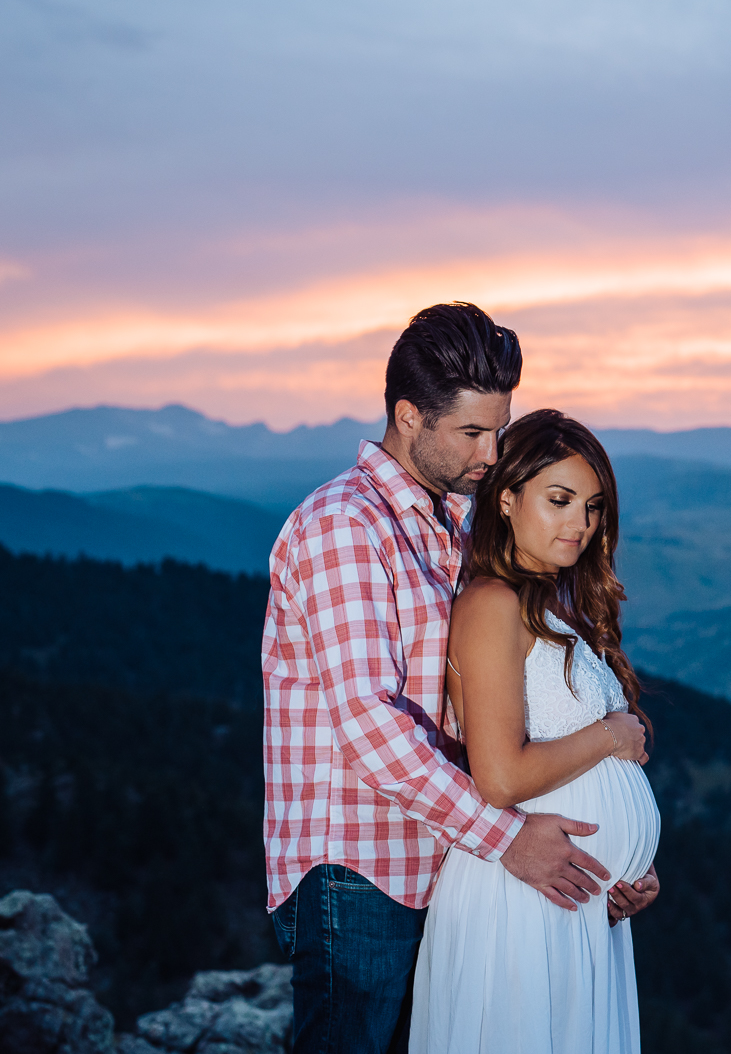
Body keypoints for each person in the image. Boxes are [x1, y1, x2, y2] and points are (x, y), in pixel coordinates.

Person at [262, 303, 659, 1054]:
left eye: (497, 430)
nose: (490, 453)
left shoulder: (454, 524)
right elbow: (372, 726)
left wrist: (599, 870)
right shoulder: (346, 526)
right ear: (408, 416)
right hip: (361, 869)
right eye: (472, 432)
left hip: (448, 863)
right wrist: (509, 839)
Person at [409, 410, 659, 1054]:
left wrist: (631, 870)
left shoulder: (552, 605)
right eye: (559, 500)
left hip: (575, 902)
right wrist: (612, 735)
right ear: (507, 499)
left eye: (593, 507)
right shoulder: (492, 603)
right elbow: (500, 776)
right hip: (518, 899)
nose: (581, 523)